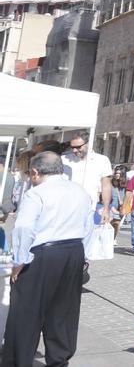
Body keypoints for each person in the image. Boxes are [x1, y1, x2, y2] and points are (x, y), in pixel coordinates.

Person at [2, 152, 95, 366]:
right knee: (64, 312)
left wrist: (20, 261)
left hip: (43, 254)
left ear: (35, 172)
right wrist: (83, 255)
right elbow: (89, 224)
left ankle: (19, 360)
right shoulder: (80, 191)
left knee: (26, 312)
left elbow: (24, 227)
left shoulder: (37, 193)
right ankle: (59, 360)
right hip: (73, 251)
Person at [60, 135, 113, 227]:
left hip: (89, 207)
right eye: (72, 147)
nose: (74, 150)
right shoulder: (64, 160)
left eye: (78, 147)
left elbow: (106, 186)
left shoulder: (102, 160)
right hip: (65, 207)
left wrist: (106, 208)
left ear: (89, 144)